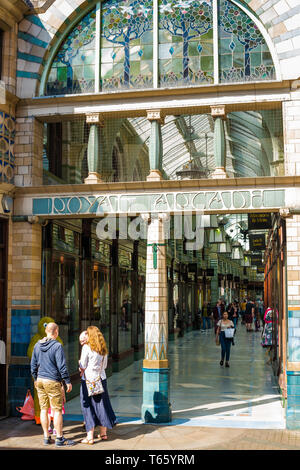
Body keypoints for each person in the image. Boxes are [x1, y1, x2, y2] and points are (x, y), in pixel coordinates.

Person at [30, 322, 75, 447]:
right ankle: (59, 438)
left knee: (44, 409)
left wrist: (35, 378)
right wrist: (67, 381)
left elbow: (33, 365)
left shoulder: (37, 346)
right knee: (57, 410)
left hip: (40, 380)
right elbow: (62, 366)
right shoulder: (57, 346)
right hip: (52, 380)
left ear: (46, 331)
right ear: (56, 332)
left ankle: (46, 437)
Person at [79, 326, 117, 445]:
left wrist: (80, 366)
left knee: (87, 405)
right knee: (101, 405)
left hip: (88, 381)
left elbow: (82, 364)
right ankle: (103, 433)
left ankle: (89, 437)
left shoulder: (86, 347)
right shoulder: (103, 349)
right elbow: (104, 366)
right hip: (101, 380)